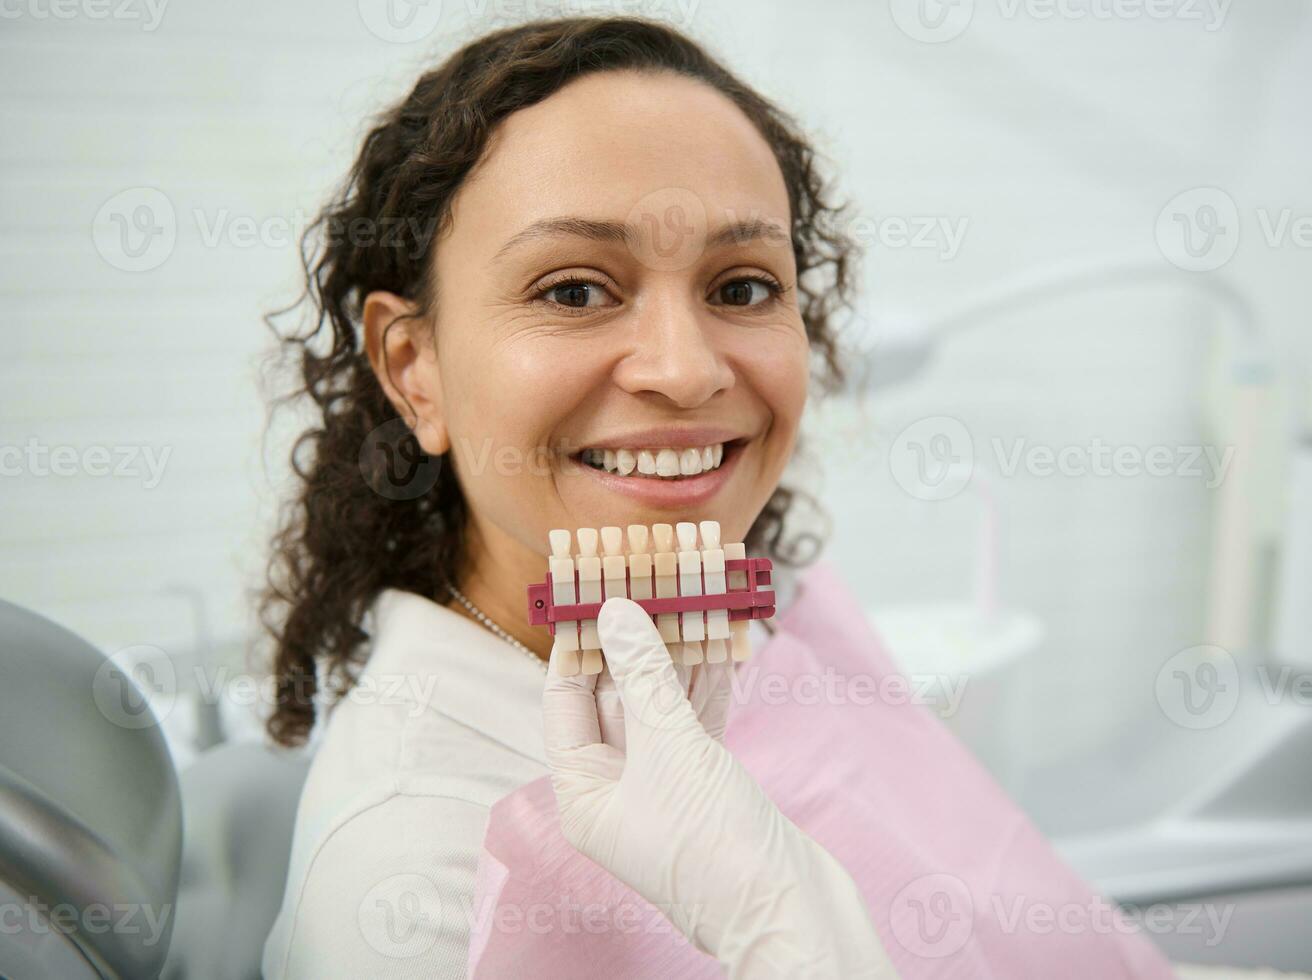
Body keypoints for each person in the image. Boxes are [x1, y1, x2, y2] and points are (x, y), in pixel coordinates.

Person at [259, 16, 1173, 978]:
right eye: (573, 291)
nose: (686, 371)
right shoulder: (409, 881)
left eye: (740, 288)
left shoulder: (780, 615)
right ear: (415, 370)